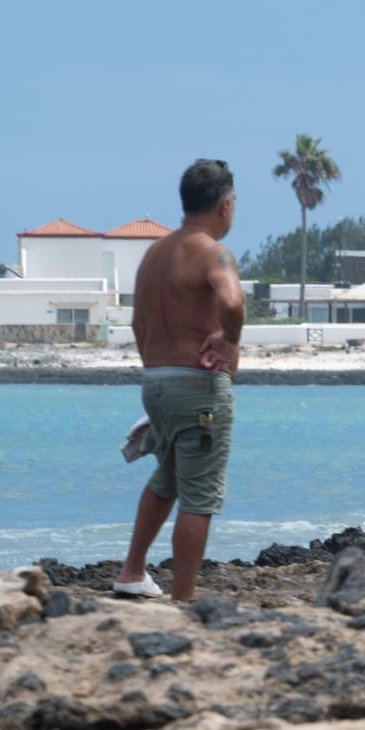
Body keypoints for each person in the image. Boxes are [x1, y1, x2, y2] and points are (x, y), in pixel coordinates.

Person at [113, 159, 244, 601]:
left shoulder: (153, 255)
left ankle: (132, 572)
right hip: (197, 386)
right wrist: (229, 340)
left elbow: (137, 325)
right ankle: (183, 598)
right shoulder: (212, 251)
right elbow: (231, 301)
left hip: (156, 382)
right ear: (225, 204)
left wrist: (160, 372)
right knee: (200, 495)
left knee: (167, 477)